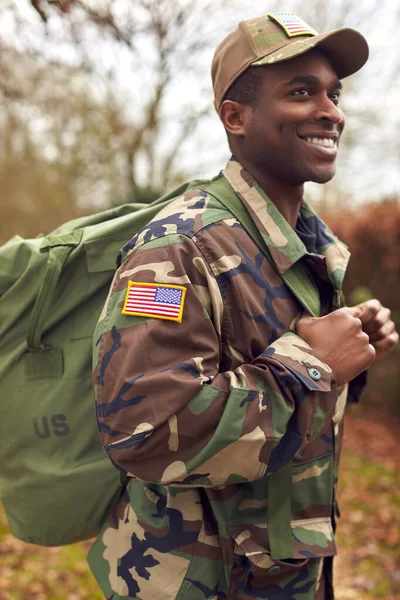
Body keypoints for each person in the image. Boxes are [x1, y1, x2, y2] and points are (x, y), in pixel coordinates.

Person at [87, 12, 398, 600]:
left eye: (334, 92)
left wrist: (353, 357)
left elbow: (294, 407)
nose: (331, 111)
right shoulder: (180, 246)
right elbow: (143, 432)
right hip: (194, 581)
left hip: (285, 574)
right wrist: (311, 362)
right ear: (234, 116)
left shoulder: (313, 247)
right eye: (301, 92)